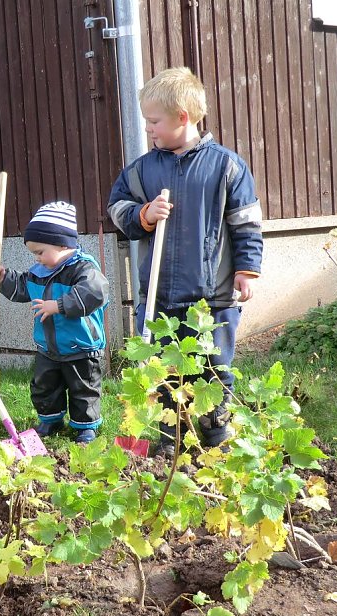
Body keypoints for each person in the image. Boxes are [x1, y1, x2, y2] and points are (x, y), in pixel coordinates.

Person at [107, 66, 263, 455]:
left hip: (212, 301)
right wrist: (142, 214)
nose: (149, 130)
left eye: (154, 121)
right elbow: (116, 208)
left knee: (213, 371)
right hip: (159, 297)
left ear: (183, 117)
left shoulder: (226, 166)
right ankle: (170, 442)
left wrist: (246, 270)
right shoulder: (143, 169)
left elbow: (245, 221)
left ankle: (215, 440)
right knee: (163, 373)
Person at [0, 201, 109, 444]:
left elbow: (96, 292)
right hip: (48, 347)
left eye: (40, 252)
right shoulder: (38, 271)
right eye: (34, 253)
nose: (37, 258)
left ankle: (85, 427)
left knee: (83, 389)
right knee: (45, 386)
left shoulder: (83, 268)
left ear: (62, 244)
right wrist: (4, 279)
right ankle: (50, 419)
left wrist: (60, 305)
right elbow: (23, 287)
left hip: (81, 347)